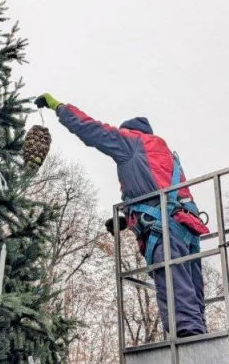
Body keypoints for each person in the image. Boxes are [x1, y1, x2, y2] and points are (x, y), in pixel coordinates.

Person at [35, 93, 209, 337]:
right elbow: (154, 191)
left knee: (175, 292)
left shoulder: (131, 143)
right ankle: (199, 334)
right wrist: (125, 220)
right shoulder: (165, 154)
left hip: (166, 232)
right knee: (191, 292)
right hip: (186, 229)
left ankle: (189, 342)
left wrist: (59, 107)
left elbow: (93, 130)